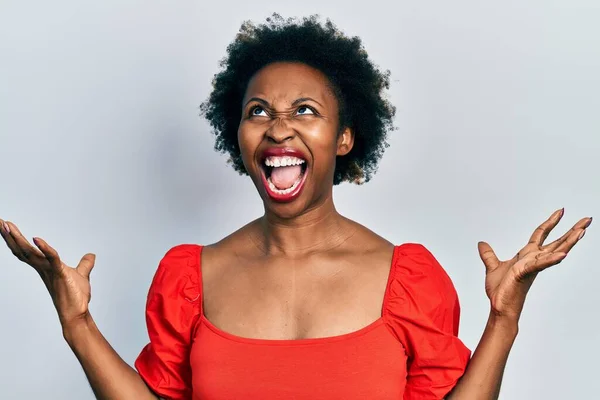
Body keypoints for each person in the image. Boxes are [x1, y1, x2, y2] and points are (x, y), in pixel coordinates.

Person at [0, 14, 592, 400]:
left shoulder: (407, 280)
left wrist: (503, 320)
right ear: (238, 136)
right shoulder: (189, 278)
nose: (279, 126)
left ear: (344, 138)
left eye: (306, 110)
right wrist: (77, 326)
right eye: (258, 111)